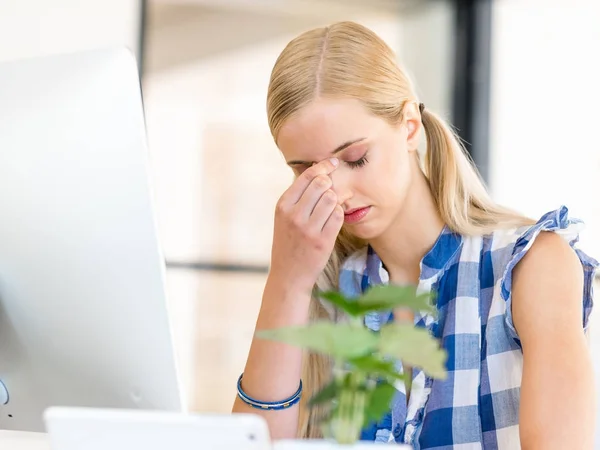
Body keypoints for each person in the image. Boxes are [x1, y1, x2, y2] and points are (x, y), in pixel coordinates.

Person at [231, 21, 598, 449]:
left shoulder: (529, 266)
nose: (337, 191)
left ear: (409, 126)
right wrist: (287, 283)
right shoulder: (324, 291)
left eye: (355, 158)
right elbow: (250, 444)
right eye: (305, 171)